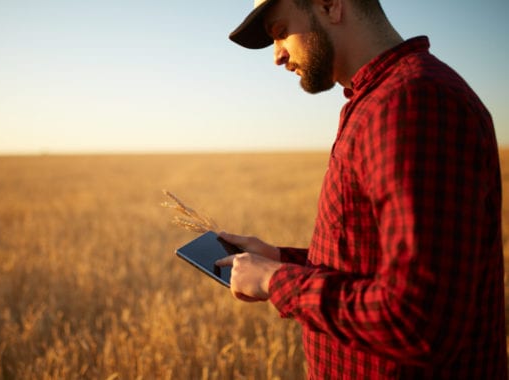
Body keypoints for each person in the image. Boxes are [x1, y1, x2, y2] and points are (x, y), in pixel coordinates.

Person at [215, 0, 508, 378]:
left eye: (280, 31)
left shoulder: (412, 101)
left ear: (330, 5)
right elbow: (373, 267)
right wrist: (279, 258)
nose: (277, 56)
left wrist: (276, 281)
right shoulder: (379, 99)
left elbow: (420, 323)